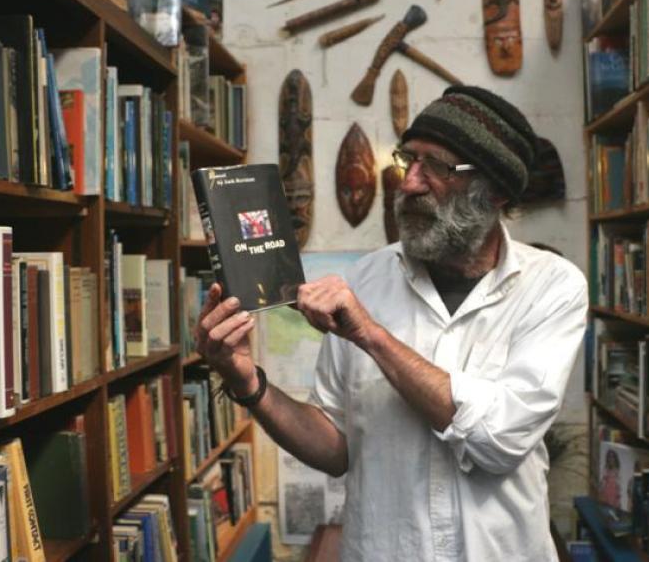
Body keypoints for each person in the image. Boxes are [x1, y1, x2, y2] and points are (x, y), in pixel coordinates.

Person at [196, 86, 588, 561]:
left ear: (496, 190)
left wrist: (372, 336)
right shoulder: (366, 279)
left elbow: (499, 442)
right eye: (409, 160)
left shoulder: (551, 287)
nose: (408, 184)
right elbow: (334, 448)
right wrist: (247, 382)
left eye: (437, 168)